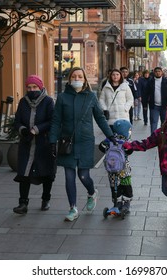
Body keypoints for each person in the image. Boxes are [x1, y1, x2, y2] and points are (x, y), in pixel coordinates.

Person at [49, 67, 116, 222]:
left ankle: (92, 192)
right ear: (70, 78)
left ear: (85, 79)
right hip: (67, 142)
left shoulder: (91, 97)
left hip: (85, 141)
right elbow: (56, 121)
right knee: (69, 176)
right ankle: (72, 208)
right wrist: (52, 141)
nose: (77, 79)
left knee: (83, 175)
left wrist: (110, 136)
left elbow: (100, 118)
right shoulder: (62, 97)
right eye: (74, 76)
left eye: (80, 76)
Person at [123, 105, 167, 223]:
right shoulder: (160, 132)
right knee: (165, 190)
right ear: (166, 117)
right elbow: (147, 143)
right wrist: (131, 145)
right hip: (165, 167)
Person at [13, 75, 56, 214]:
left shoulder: (48, 101)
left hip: (44, 143)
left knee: (46, 172)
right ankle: (23, 203)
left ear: (41, 87)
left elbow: (52, 120)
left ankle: (45, 199)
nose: (32, 90)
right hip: (26, 143)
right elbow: (17, 121)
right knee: (24, 173)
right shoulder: (23, 102)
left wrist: (36, 129)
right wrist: (23, 130)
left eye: (35, 87)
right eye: (29, 87)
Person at [99, 119, 133, 213]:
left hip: (111, 167)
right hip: (124, 168)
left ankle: (116, 202)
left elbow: (101, 147)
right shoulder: (126, 141)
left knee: (114, 185)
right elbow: (130, 151)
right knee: (125, 183)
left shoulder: (110, 139)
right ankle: (126, 202)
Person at [143, 66, 167, 134]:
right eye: (156, 72)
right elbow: (145, 94)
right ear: (154, 73)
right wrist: (145, 105)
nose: (158, 73)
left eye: (159, 71)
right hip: (154, 106)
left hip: (165, 106)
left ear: (162, 72)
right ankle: (153, 138)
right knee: (153, 122)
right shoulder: (150, 82)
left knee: (164, 123)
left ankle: (163, 138)